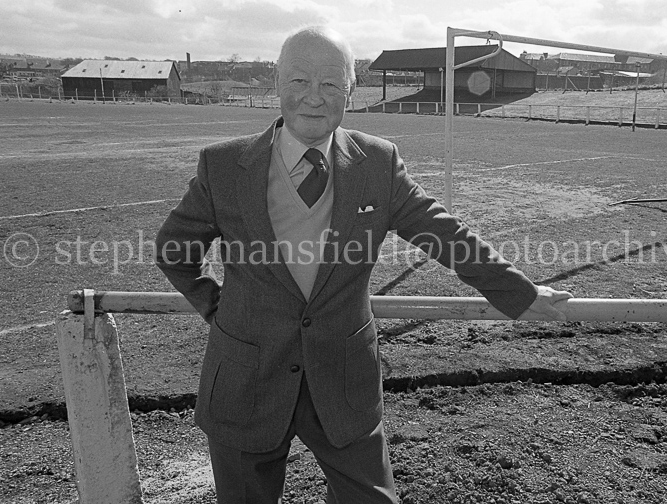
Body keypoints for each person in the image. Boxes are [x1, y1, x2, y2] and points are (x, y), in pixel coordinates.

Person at [155, 25, 572, 504]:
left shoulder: (377, 163)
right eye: (299, 81)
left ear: (351, 91)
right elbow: (174, 250)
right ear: (277, 83)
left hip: (344, 381)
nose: (315, 97)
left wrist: (521, 294)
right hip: (245, 382)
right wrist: (218, 308)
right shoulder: (223, 166)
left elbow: (444, 233)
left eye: (331, 84)